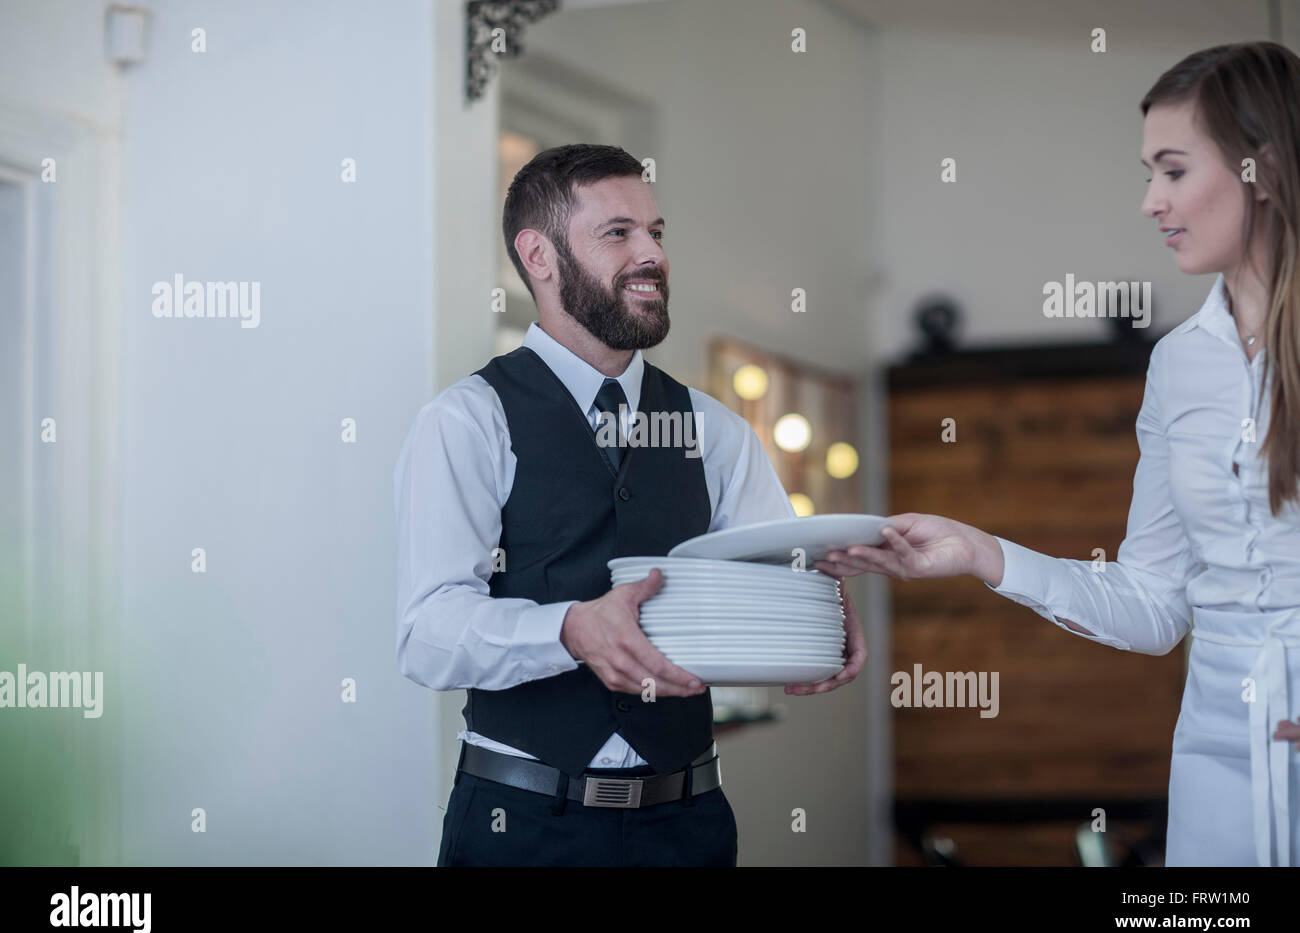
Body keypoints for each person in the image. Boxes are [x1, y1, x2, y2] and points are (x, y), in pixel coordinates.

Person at [819, 41, 1300, 867]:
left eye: (1174, 170)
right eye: (1146, 171)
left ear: (1261, 166)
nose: (1151, 200)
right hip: (1216, 770)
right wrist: (980, 552)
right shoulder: (1180, 364)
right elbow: (1154, 606)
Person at [395, 144, 866, 866]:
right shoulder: (467, 421)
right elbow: (428, 633)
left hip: (689, 825)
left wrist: (815, 615)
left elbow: (777, 577)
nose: (651, 254)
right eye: (618, 233)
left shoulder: (715, 430)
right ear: (539, 256)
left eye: (656, 232)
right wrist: (570, 631)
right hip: (521, 827)